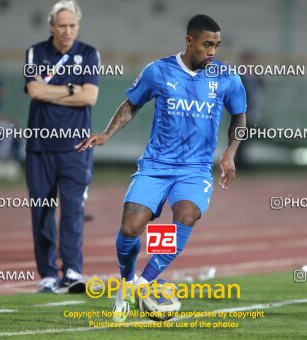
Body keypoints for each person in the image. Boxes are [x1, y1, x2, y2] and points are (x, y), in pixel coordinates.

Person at [77, 14, 246, 322]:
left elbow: (239, 115)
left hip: (195, 169)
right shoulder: (158, 71)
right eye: (207, 44)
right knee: (130, 228)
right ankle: (126, 283)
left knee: (185, 215)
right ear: (189, 41)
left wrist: (230, 153)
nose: (212, 52)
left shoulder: (225, 77)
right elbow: (131, 104)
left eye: (217, 46)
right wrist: (106, 134)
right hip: (156, 165)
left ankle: (144, 283)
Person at [24, 0, 99, 293]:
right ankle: (47, 274)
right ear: (52, 26)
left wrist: (50, 92)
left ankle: (72, 271)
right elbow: (34, 90)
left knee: (72, 211)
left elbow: (90, 97)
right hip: (40, 147)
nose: (68, 31)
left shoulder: (89, 54)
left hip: (76, 148)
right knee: (42, 211)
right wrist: (71, 89)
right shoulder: (36, 52)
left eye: (72, 26)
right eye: (62, 25)